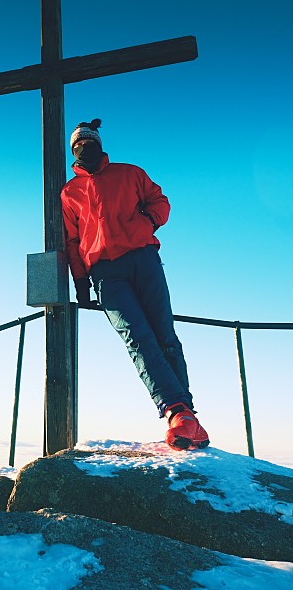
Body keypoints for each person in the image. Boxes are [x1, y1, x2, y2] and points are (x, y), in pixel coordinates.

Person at [60, 118, 209, 451]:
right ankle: (177, 411)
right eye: (78, 146)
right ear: (73, 151)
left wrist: (147, 223)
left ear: (99, 144)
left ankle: (186, 418)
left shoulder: (130, 173)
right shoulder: (70, 193)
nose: (85, 148)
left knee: (164, 336)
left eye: (89, 142)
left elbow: (161, 202)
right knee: (137, 337)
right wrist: (81, 283)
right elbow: (72, 241)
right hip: (105, 273)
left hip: (144, 260)